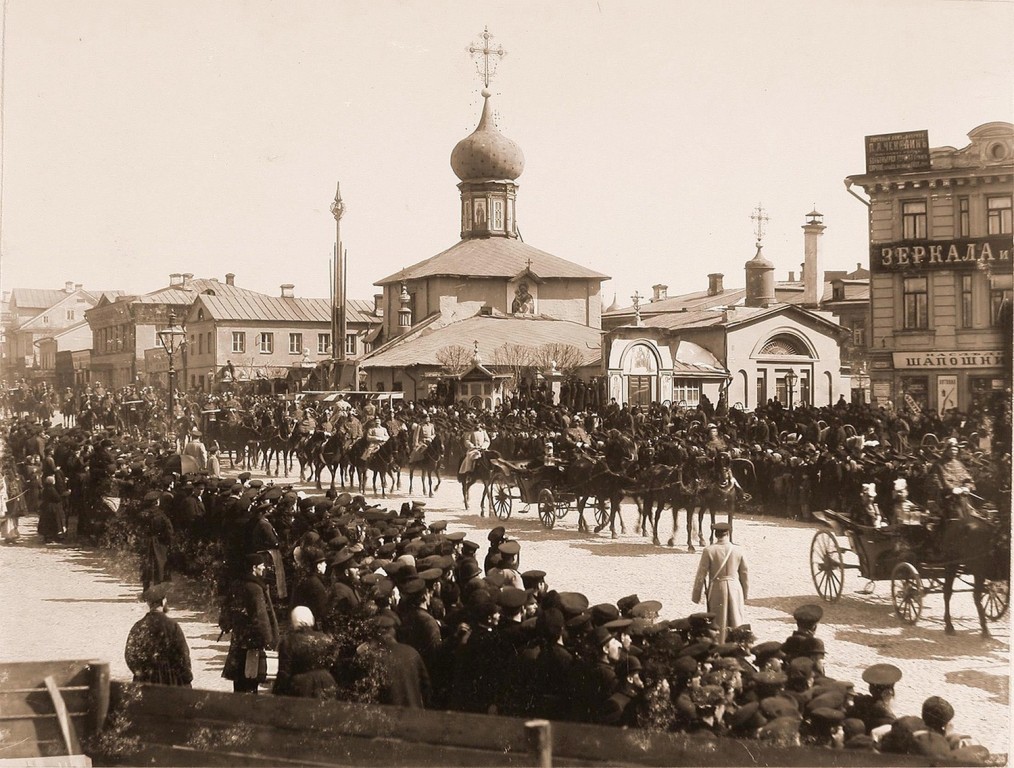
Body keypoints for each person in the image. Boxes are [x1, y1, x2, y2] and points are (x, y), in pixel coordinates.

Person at [221, 554, 280, 693]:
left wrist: (227, 624)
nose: (264, 568)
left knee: (239, 679)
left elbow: (225, 610)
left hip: (238, 639)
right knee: (251, 677)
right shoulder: (256, 588)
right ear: (254, 568)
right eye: (261, 565)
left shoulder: (236, 584)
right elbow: (262, 617)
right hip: (252, 642)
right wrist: (269, 640)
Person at [124, 583, 193, 686]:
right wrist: (186, 678)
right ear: (164, 601)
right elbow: (182, 655)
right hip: (170, 682)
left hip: (145, 682)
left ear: (149, 604)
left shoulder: (139, 626)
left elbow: (130, 655)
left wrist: (141, 673)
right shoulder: (172, 626)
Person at [691, 522, 748, 643]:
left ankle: (719, 645)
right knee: (736, 619)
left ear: (715, 534)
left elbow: (701, 574)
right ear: (728, 533)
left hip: (717, 587)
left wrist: (696, 595)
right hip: (735, 587)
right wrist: (745, 594)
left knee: (718, 621)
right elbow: (744, 573)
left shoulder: (709, 550)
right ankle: (736, 645)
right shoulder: (738, 549)